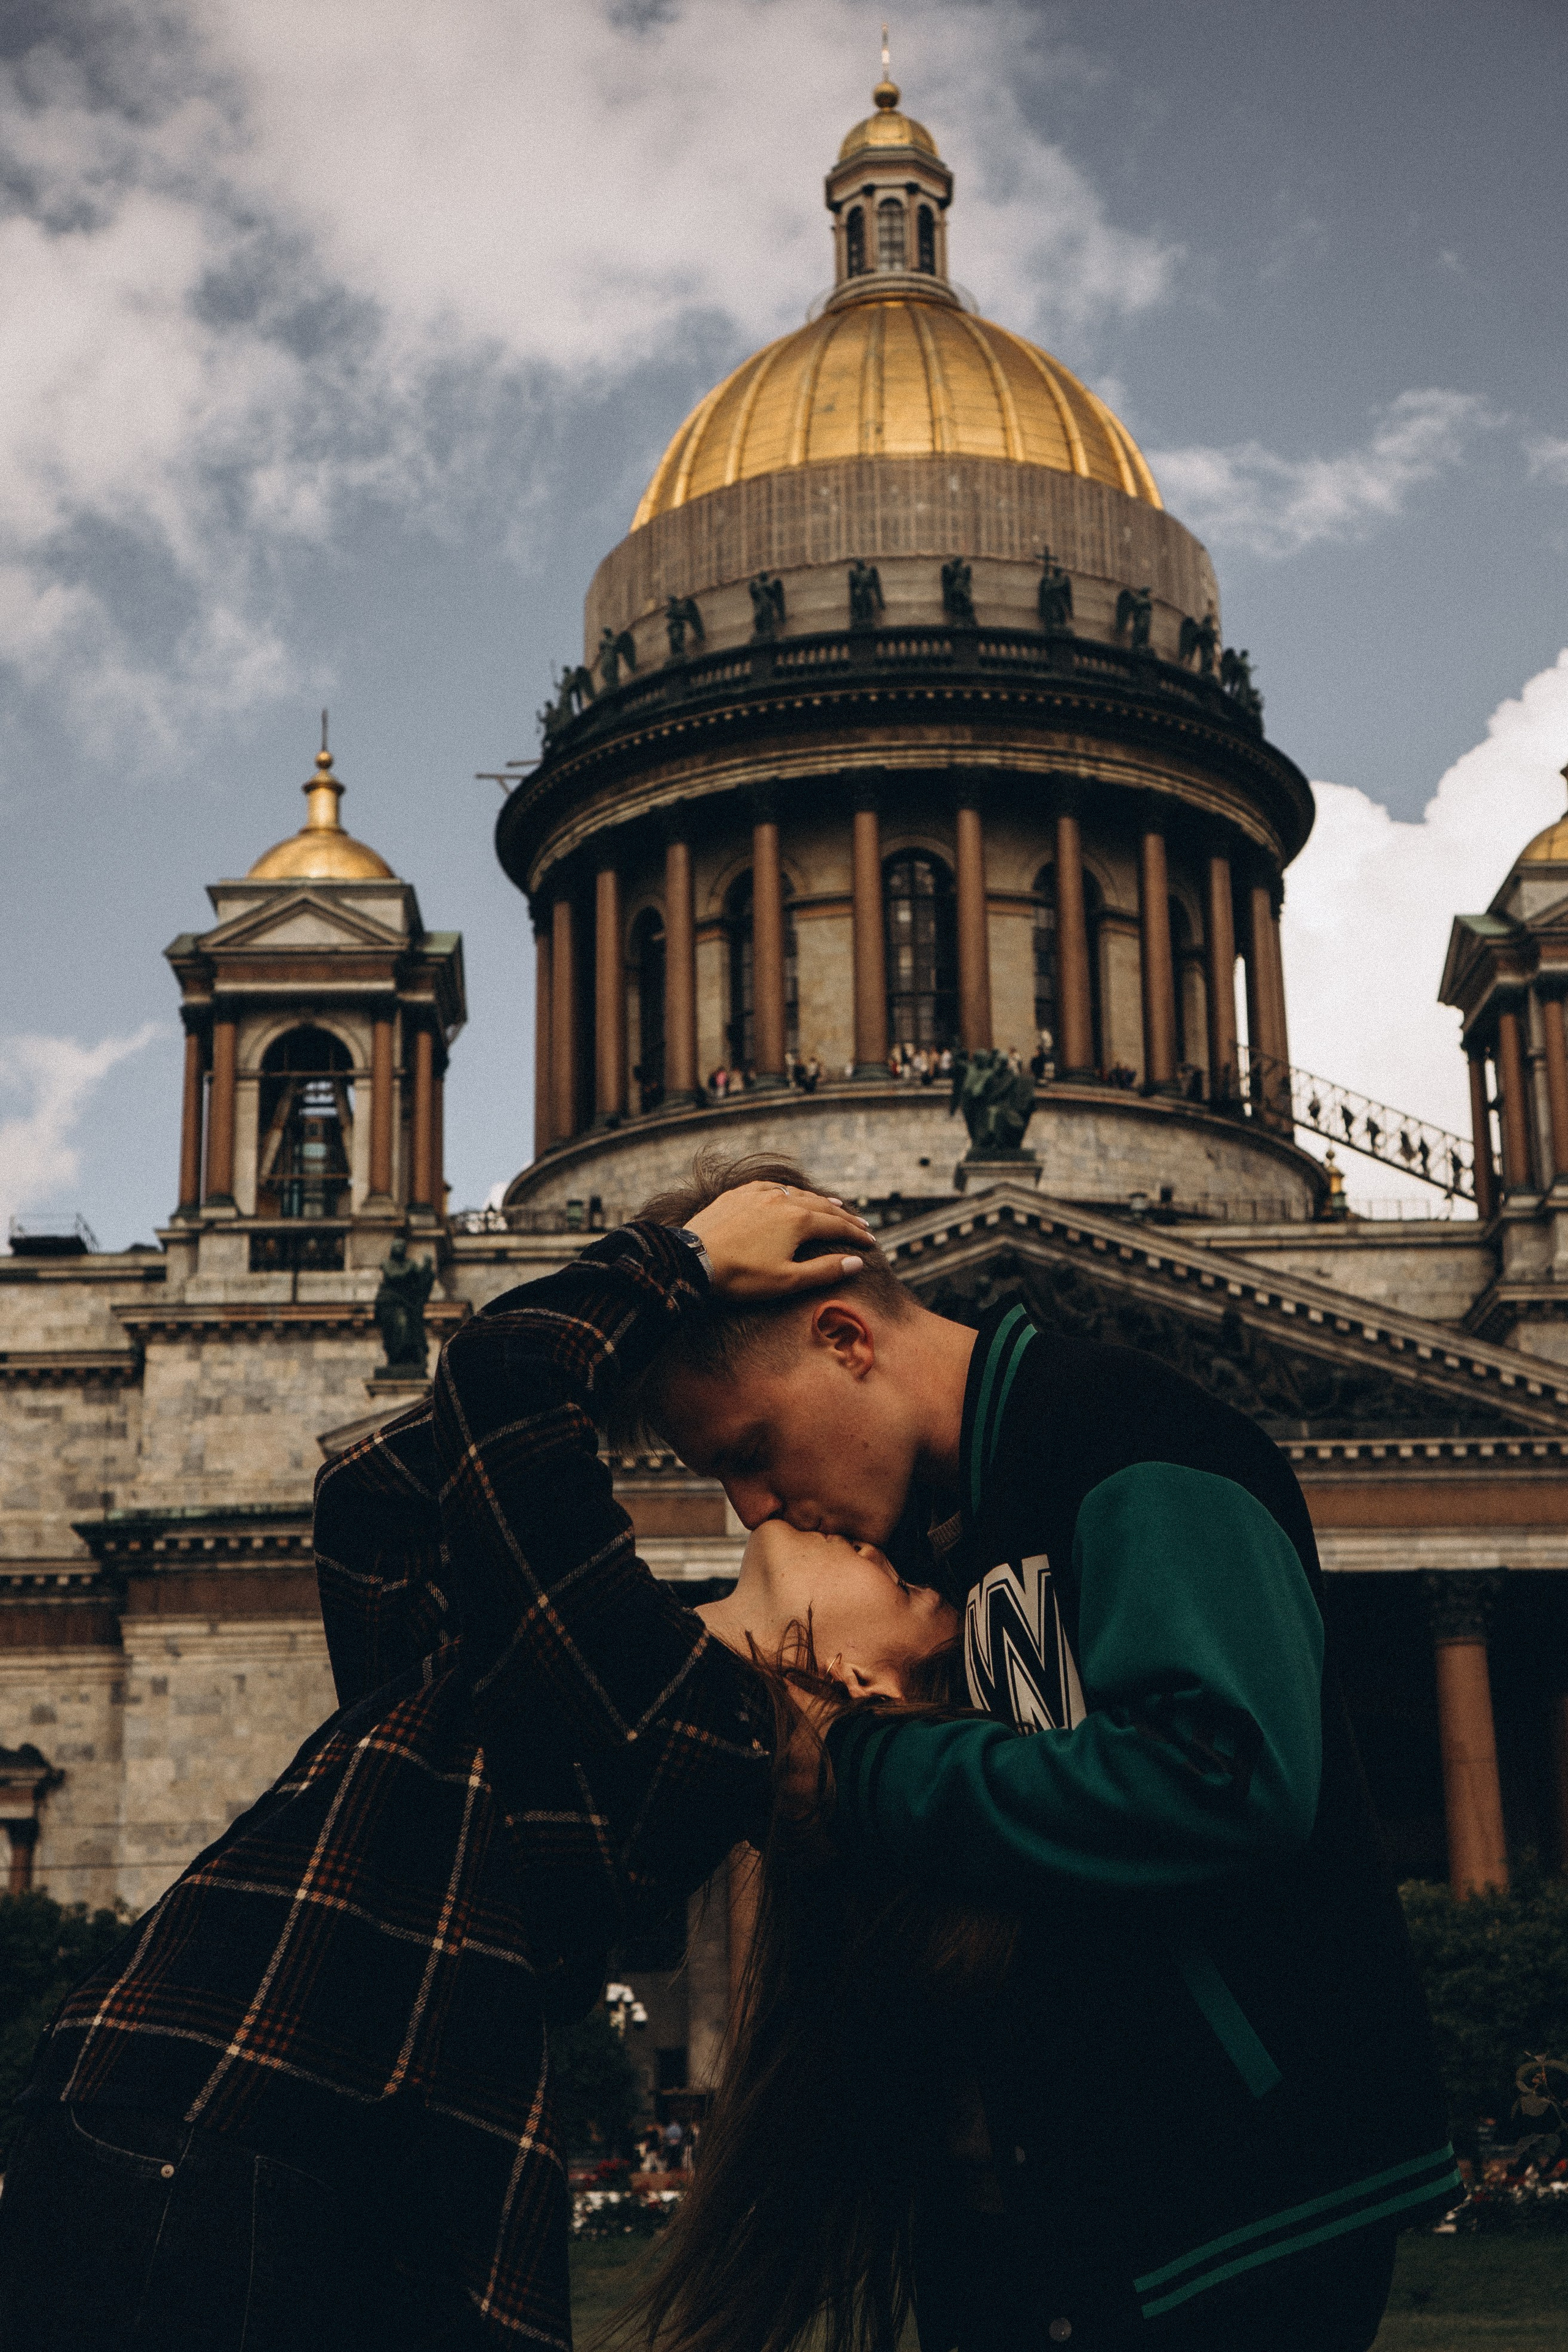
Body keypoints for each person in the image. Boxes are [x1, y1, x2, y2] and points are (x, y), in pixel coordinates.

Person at [0, 1184, 954, 2351]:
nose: (877, 1545)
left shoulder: (691, 1737)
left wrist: (678, 1272)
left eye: (907, 1590)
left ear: (855, 1690)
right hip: (191, 2120)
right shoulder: (577, 1669)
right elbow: (373, 1503)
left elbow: (505, 1390)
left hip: (237, 2134)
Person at [639, 1152, 1457, 2352]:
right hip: (1039, 2211)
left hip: (1234, 2201)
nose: (754, 1510)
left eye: (748, 1451)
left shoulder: (1128, 1435)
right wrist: (631, 1278)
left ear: (843, 1339)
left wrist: (865, 1773)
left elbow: (1220, 1772)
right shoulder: (918, 1544)